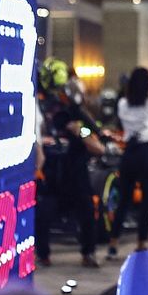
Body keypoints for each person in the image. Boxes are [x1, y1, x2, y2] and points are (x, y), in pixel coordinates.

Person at [35, 58, 105, 268]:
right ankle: (42, 254)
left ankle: (88, 253)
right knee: (42, 213)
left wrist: (79, 131)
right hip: (52, 175)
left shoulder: (75, 112)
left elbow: (98, 146)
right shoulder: (38, 108)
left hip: (76, 174)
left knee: (87, 212)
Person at [108, 67, 148, 258]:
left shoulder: (123, 103)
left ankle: (114, 241)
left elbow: (121, 126)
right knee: (147, 199)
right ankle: (141, 242)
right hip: (146, 151)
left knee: (124, 199)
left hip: (129, 152)